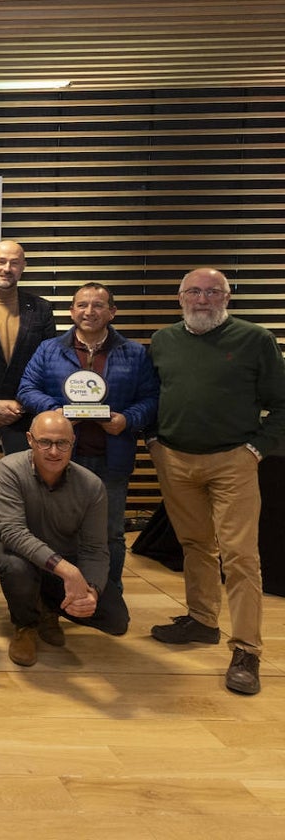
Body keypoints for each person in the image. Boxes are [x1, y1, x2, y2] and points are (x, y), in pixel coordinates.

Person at [148, 267, 285, 696]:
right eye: (194, 292)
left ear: (227, 298)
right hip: (175, 460)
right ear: (180, 298)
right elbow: (154, 395)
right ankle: (202, 620)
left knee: (241, 556)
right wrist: (153, 440)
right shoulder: (163, 341)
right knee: (195, 545)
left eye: (212, 292)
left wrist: (258, 448)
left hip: (233, 461)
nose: (202, 299)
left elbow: (281, 404)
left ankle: (247, 650)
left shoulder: (255, 340)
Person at [18, 282, 159, 589]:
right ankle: (53, 599)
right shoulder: (49, 349)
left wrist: (127, 419)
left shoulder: (134, 353)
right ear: (71, 311)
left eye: (98, 305)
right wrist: (58, 414)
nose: (89, 311)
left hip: (112, 457)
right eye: (82, 305)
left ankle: (107, 595)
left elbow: (151, 399)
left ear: (112, 311)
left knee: (109, 532)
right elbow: (27, 389)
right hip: (59, 458)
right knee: (51, 531)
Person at [0, 411, 130, 667]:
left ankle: (48, 608)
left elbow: (95, 548)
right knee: (16, 568)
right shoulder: (9, 469)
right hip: (16, 552)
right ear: (30, 439)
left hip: (65, 555)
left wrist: (92, 592)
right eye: (45, 442)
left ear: (72, 443)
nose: (54, 451)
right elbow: (12, 532)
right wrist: (67, 571)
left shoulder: (92, 485)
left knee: (115, 620)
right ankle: (25, 626)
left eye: (62, 443)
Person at [0, 240, 56, 511]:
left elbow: (47, 364)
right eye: (1, 262)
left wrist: (21, 403)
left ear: (23, 267)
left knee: (25, 489)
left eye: (14, 262)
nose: (7, 268)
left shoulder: (41, 309)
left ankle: (16, 549)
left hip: (25, 417)